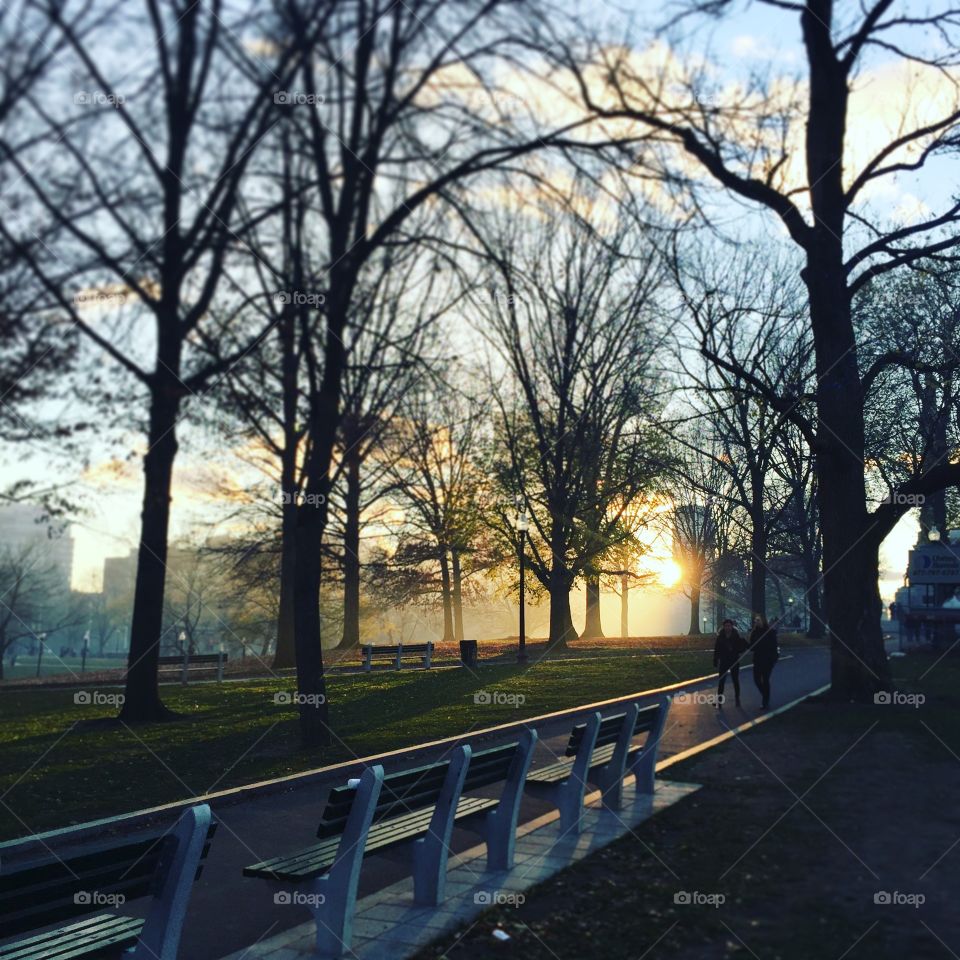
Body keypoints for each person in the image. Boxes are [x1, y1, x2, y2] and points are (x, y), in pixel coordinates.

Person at [748, 613, 779, 710]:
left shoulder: (769, 632)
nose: (756, 622)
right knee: (756, 680)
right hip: (757, 659)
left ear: (763, 621)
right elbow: (751, 647)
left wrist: (774, 658)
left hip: (768, 659)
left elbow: (774, 646)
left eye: (758, 620)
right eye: (755, 621)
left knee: (765, 680)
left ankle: (765, 701)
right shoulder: (754, 632)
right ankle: (765, 695)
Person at [713, 618, 746, 707]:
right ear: (723, 627)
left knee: (735, 680)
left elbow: (741, 647)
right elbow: (717, 649)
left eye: (729, 626)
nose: (728, 627)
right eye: (726, 626)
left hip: (734, 661)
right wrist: (715, 661)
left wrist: (738, 649)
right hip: (724, 661)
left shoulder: (736, 636)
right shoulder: (720, 637)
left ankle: (737, 698)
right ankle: (719, 701)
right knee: (721, 681)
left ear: (732, 626)